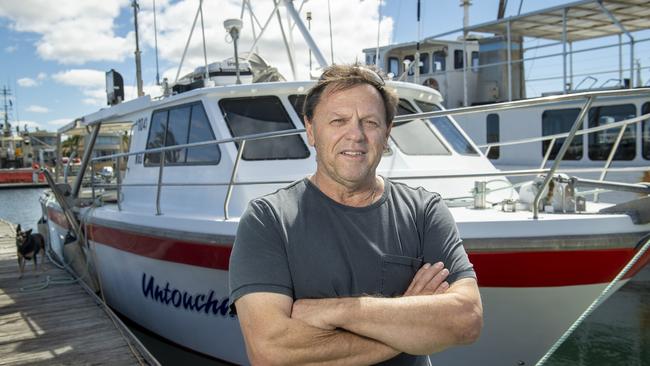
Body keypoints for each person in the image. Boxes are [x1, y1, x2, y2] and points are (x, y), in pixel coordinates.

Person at [229, 64, 482, 365]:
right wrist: (408, 320)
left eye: (371, 122)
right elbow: (270, 352)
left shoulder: (424, 211)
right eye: (338, 121)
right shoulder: (268, 220)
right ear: (311, 130)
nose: (356, 135)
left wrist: (335, 312)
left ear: (387, 134)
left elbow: (466, 320)